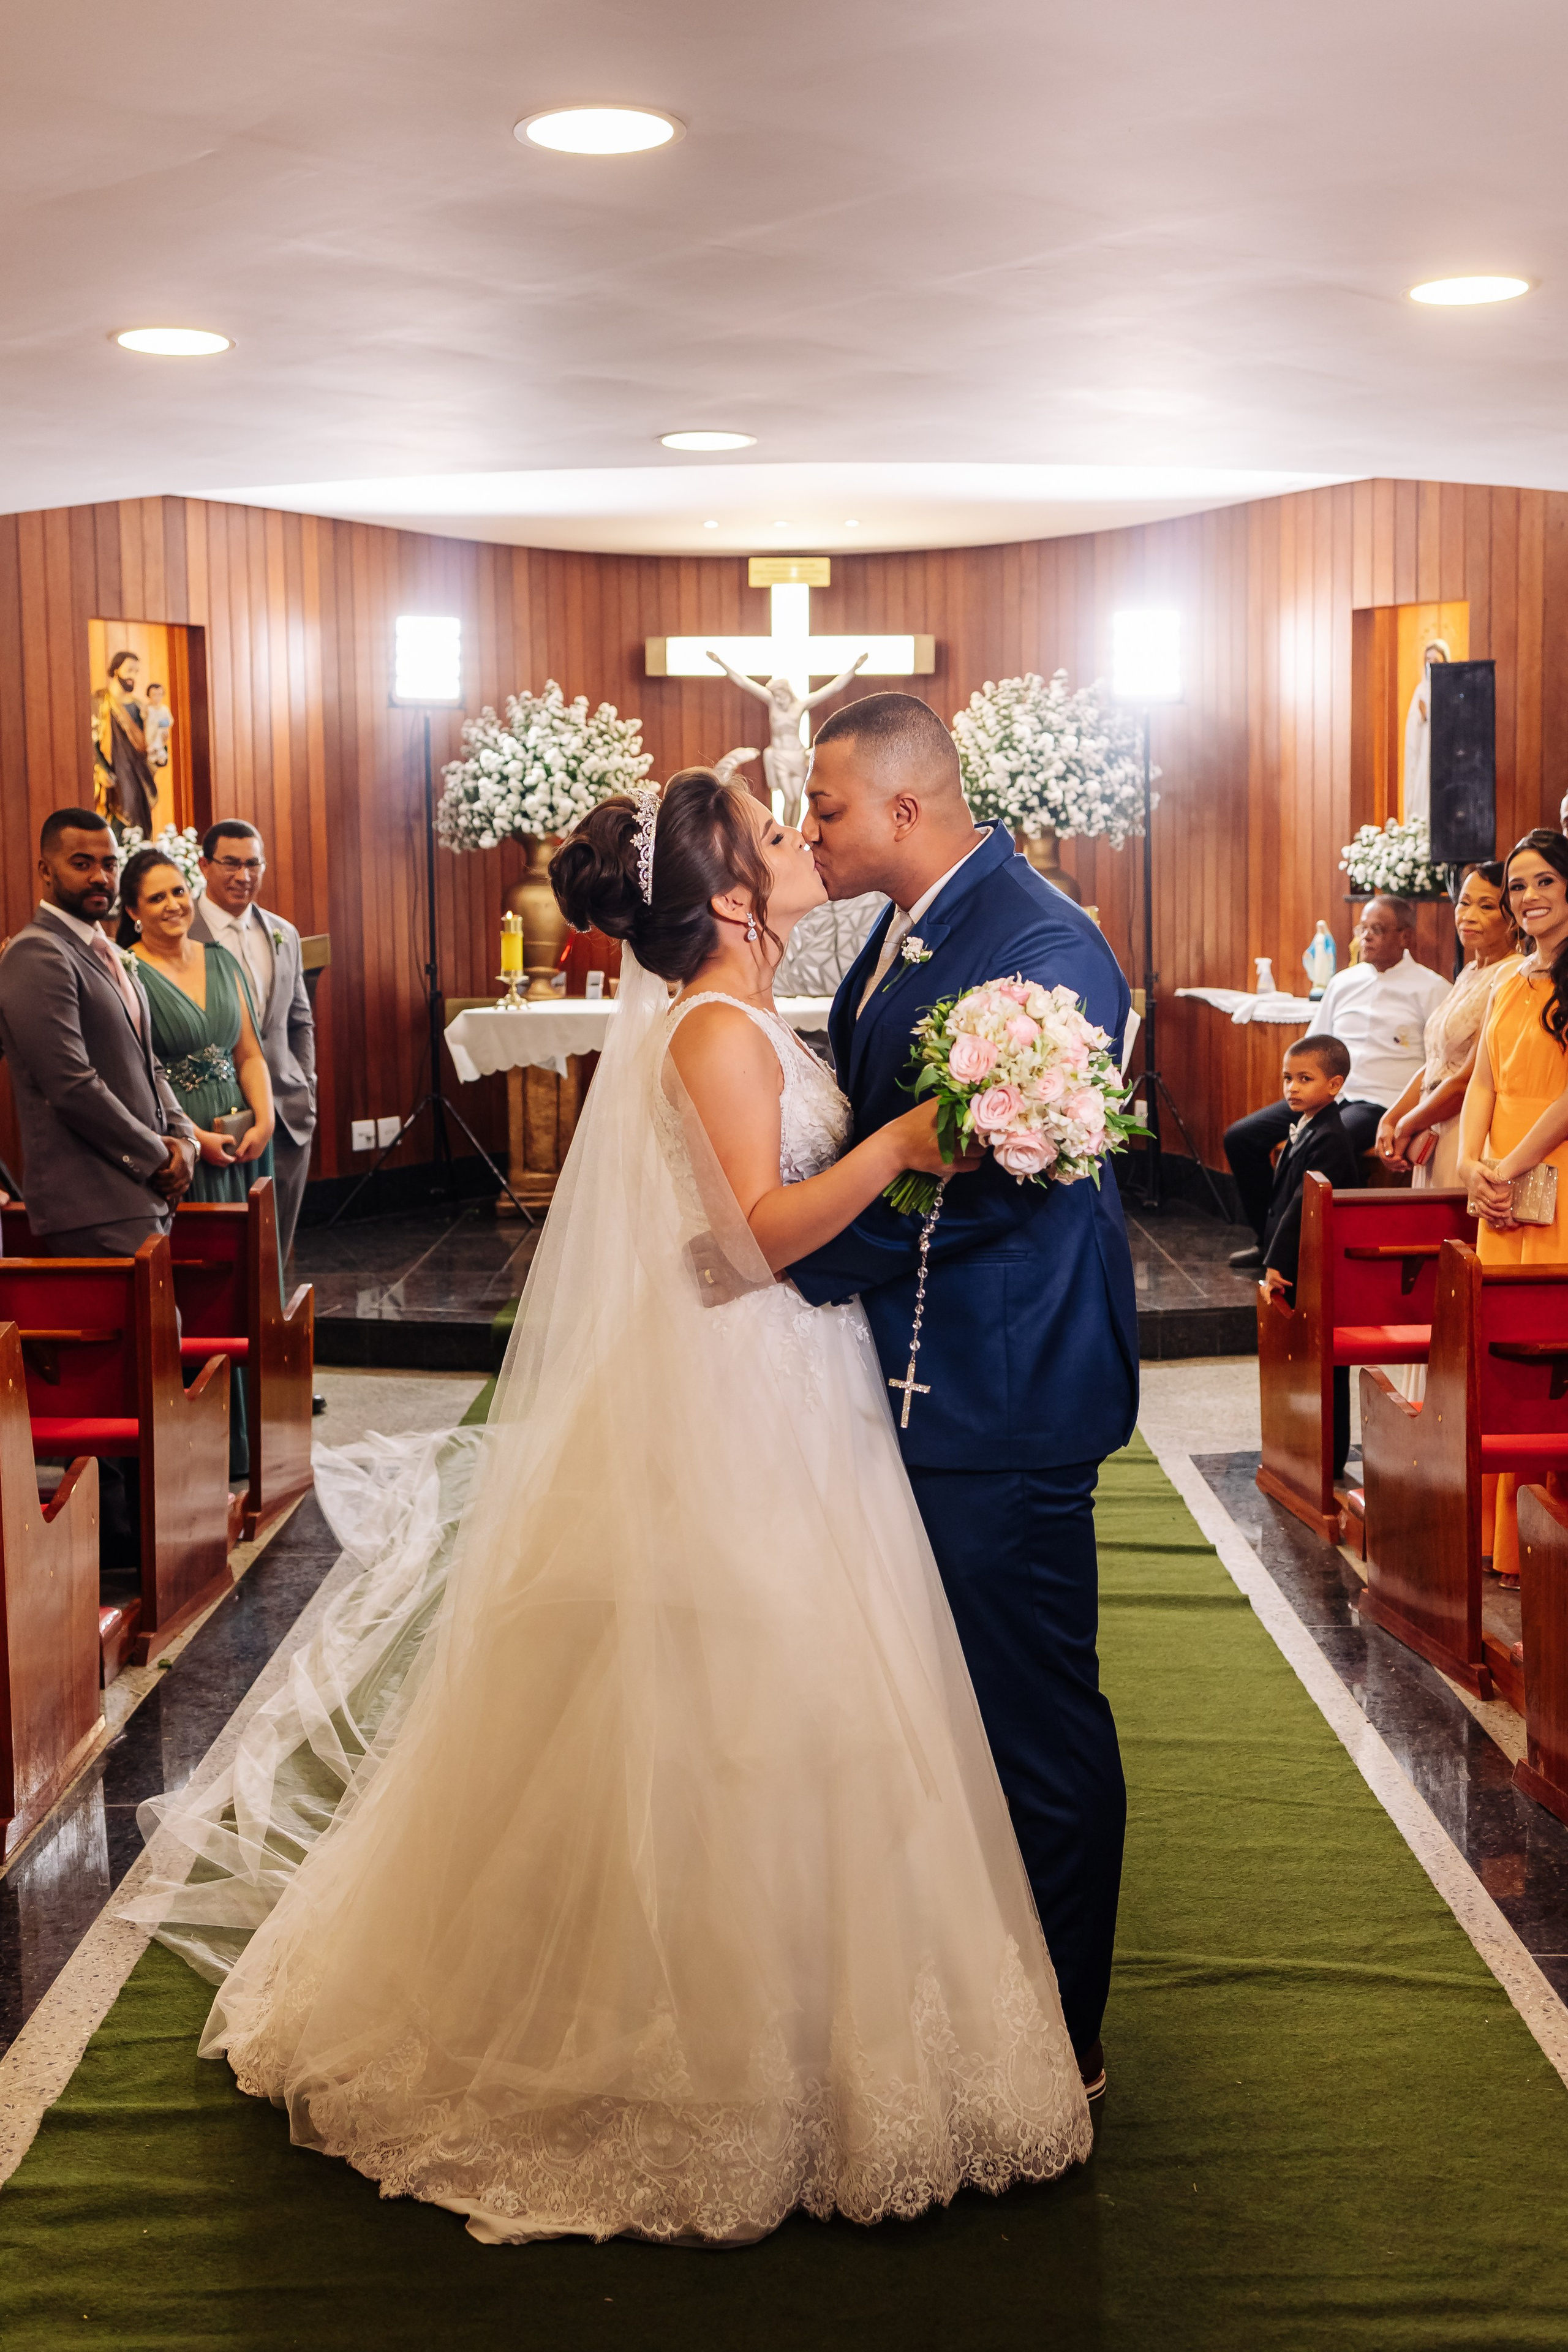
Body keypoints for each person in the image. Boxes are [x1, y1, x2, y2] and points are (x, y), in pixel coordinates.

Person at [129, 769, 1093, 2244]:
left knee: (804, 1701)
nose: (795, 844)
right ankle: (717, 2048)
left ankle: (802, 2019)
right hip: (752, 1388)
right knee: (748, 1696)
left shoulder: (743, 1018)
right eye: (774, 838)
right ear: (723, 899)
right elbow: (750, 1245)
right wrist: (900, 1147)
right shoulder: (716, 1030)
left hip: (793, 1384)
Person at [795, 692, 1138, 2089]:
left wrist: (799, 1261)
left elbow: (1016, 1168)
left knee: (1031, 1715)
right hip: (919, 1377)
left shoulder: (1042, 945)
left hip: (998, 1388)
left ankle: (1060, 2034)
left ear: (899, 805)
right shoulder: (906, 923)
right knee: (935, 1707)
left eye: (821, 809)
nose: (806, 832)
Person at [0, 807, 197, 1566]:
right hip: (90, 1197)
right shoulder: (36, 957)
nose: (101, 878)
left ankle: (151, 1533)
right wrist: (155, 1155)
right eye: (82, 864)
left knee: (152, 1359)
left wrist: (178, 1135)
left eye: (109, 862)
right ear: (46, 870)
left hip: (137, 1189)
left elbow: (144, 1068)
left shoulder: (104, 952)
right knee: (129, 1369)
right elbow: (71, 1084)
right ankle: (124, 1543)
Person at [119, 848, 276, 1483]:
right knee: (202, 1290)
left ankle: (263, 1435)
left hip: (242, 1140)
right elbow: (134, 1074)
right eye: (156, 898)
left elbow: (248, 1052)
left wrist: (264, 1119)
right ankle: (215, 1442)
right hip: (183, 1146)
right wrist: (193, 1140)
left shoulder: (219, 961)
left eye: (178, 892)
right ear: (132, 912)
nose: (174, 905)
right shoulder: (128, 973)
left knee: (252, 1283)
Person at [1225, 894, 1450, 1267]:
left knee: (1323, 1142)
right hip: (1325, 1093)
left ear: (1406, 936)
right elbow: (1316, 1042)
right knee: (1241, 1137)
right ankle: (1268, 1241)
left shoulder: (1431, 989)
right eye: (1363, 928)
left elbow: (1437, 1064)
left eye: (1377, 930)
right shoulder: (1344, 982)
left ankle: (1311, 1252)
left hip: (1379, 1101)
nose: (1366, 937)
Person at [1458, 831, 1568, 1585]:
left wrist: (1510, 1163)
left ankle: (1552, 1529)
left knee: (1551, 1349)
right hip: (1499, 1188)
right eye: (1518, 886)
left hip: (1557, 1176)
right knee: (1505, 1352)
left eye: (1543, 884)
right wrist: (1472, 1165)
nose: (1528, 899)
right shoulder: (1506, 979)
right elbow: (1482, 1084)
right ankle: (1510, 1539)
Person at [189, 821, 317, 1267]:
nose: (244, 876)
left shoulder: (284, 933)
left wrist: (307, 1086)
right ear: (204, 865)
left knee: (275, 1253)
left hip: (287, 1112)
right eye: (231, 863)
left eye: (253, 864)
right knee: (220, 1254)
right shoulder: (180, 933)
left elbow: (299, 1021)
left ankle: (273, 1332)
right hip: (213, 1117)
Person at [1374, 864, 1523, 1188]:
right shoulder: (1470, 971)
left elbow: (1468, 1079)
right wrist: (1392, 1117)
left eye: (1485, 906)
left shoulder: (1513, 975)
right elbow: (1436, 1061)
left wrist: (1408, 1125)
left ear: (1513, 917)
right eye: (1464, 903)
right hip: (1433, 1119)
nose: (1468, 916)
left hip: (1466, 1126)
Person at [1260, 1037, 1362, 1478]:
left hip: (1315, 1262)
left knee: (1325, 1367)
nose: (1292, 1088)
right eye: (1288, 1078)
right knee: (1301, 1360)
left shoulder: (1332, 1139)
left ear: (1335, 1084)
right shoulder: (1307, 1125)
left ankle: (1331, 1456)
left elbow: (1305, 1202)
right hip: (1300, 1257)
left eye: (1305, 1079)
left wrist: (1278, 1261)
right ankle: (1307, 1446)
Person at [91, 648, 157, 835]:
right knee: (117, 823)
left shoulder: (138, 707)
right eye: (129, 670)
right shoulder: (100, 702)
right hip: (114, 774)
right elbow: (92, 739)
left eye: (136, 672)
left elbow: (149, 742)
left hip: (138, 775)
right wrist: (100, 768)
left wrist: (160, 751)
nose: (132, 676)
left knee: (140, 824)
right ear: (115, 670)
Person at [143, 680, 174, 770]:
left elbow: (170, 721)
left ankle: (160, 754)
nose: (157, 698)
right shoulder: (148, 709)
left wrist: (163, 724)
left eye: (159, 694)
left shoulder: (164, 709)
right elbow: (143, 718)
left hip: (160, 734)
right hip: (150, 733)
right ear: (149, 696)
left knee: (160, 734)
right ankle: (153, 755)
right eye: (154, 695)